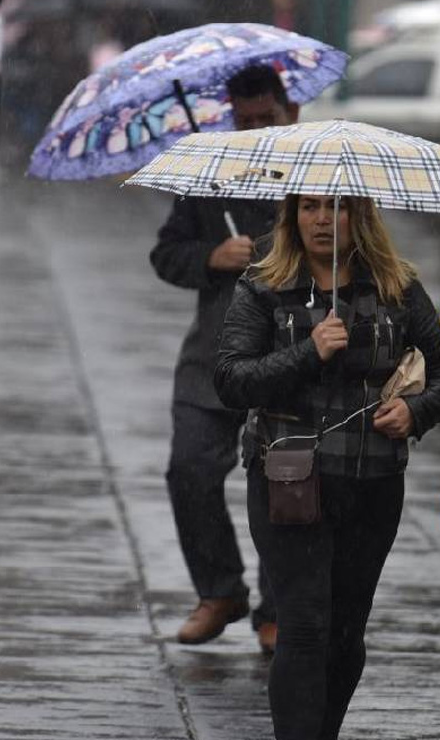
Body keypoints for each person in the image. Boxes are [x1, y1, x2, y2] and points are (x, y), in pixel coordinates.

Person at [214, 193, 440, 740]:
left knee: (347, 631)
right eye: (308, 208)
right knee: (303, 625)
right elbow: (232, 380)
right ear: (291, 217)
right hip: (289, 478)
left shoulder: (397, 286)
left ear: (360, 217)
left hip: (372, 481)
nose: (322, 220)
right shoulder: (263, 286)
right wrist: (310, 350)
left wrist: (415, 411)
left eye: (336, 207)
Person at [149, 64, 299, 653]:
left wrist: (275, 255)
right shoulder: (207, 174)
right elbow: (166, 254)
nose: (257, 127)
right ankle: (220, 590)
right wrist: (213, 255)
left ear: (290, 111)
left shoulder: (316, 172)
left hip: (290, 356)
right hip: (213, 355)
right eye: (246, 119)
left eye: (268, 117)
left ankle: (279, 608)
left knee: (286, 487)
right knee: (189, 470)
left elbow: (351, 254)